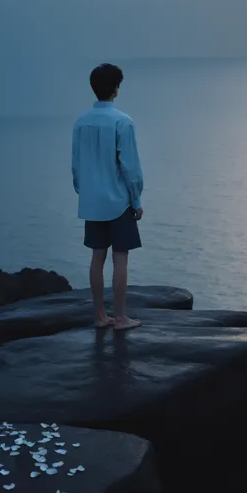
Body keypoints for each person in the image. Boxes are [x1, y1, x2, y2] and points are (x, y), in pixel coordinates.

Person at [72, 63, 144, 331]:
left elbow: (76, 166)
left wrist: (84, 191)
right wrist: (136, 201)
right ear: (116, 88)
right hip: (118, 202)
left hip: (92, 202)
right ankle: (121, 317)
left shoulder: (81, 122)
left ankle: (100, 316)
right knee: (120, 258)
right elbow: (131, 169)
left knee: (96, 258)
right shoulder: (123, 121)